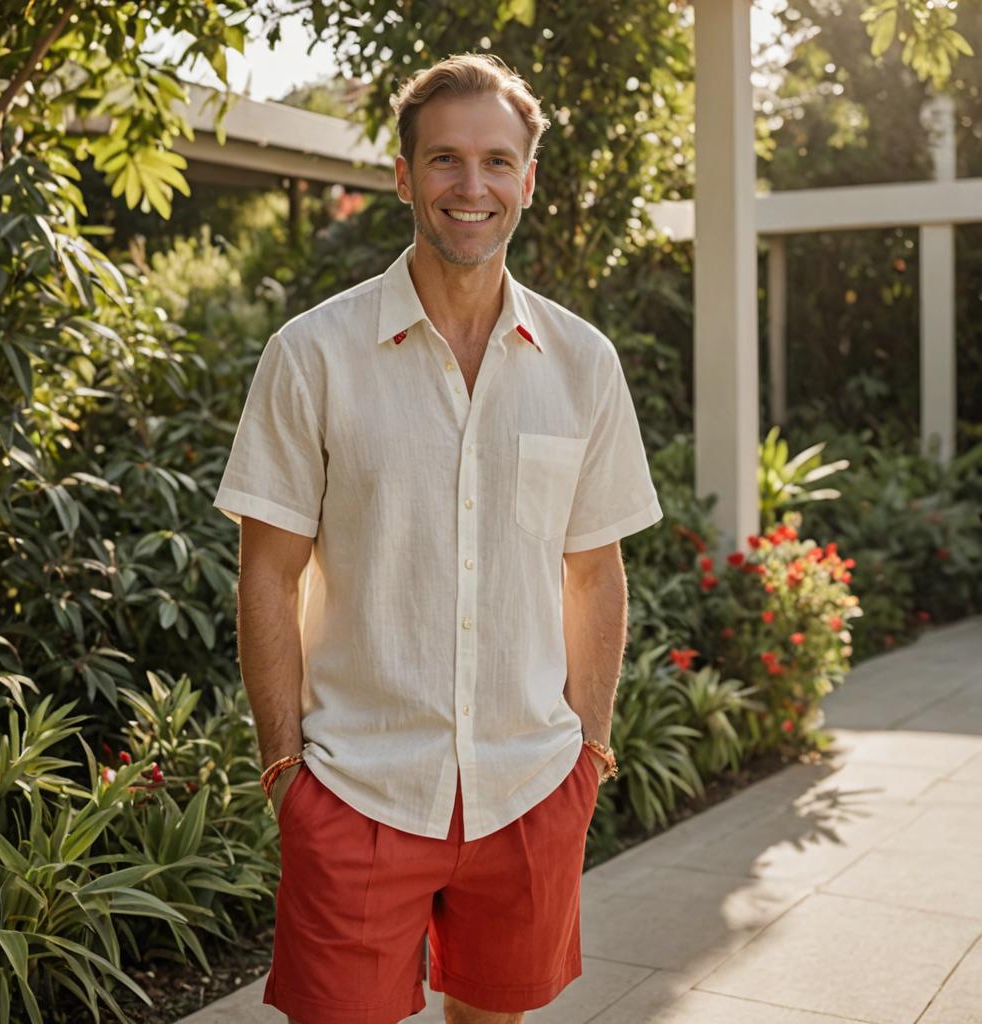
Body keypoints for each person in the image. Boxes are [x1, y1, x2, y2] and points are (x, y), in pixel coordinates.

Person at [213, 52, 663, 1024]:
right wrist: (286, 767)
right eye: (446, 160)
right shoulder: (312, 354)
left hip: (529, 784)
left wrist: (586, 748)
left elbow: (594, 570)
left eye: (497, 161)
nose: (472, 186)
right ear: (403, 174)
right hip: (355, 787)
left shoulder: (583, 363)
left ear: (527, 179)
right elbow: (267, 570)